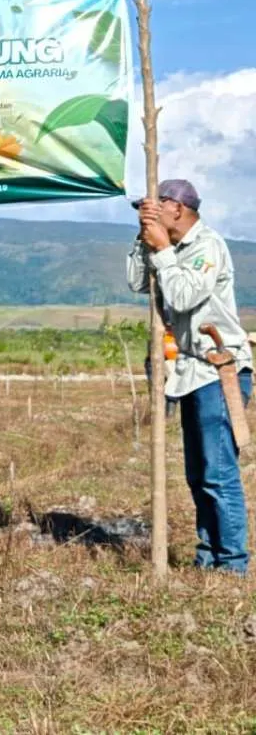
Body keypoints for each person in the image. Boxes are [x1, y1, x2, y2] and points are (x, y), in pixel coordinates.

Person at [127, 178, 253, 574]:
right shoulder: (170, 246)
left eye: (156, 207)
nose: (150, 214)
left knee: (218, 471)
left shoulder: (206, 246)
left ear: (177, 209)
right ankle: (207, 556)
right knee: (197, 474)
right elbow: (135, 281)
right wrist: (143, 239)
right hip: (186, 371)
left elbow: (182, 296)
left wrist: (163, 249)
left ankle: (232, 565)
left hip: (217, 369)